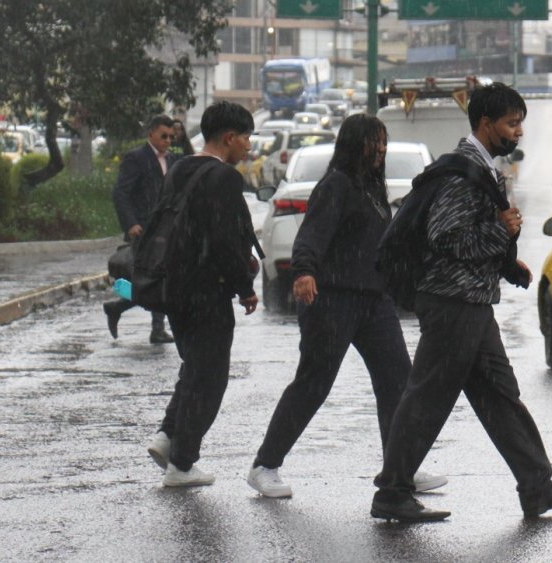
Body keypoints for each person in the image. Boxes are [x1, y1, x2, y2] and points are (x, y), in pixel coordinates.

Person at [370, 82, 552, 522]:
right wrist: (501, 230)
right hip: (453, 302)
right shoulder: (463, 173)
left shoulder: (479, 168)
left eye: (520, 124)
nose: (519, 133)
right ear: (487, 124)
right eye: (512, 124)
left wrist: (507, 263)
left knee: (499, 395)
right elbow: (447, 237)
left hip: (470, 300)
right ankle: (392, 492)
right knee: (427, 398)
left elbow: (468, 237)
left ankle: (537, 486)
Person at [246, 114, 446, 499]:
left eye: (385, 143)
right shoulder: (335, 185)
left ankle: (400, 467)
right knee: (314, 383)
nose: (382, 150)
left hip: (373, 300)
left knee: (398, 381)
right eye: (375, 143)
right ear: (356, 144)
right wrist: (304, 272)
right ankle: (264, 465)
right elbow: (312, 234)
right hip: (331, 299)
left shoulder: (372, 188)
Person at [146, 101, 259, 488]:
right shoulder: (224, 178)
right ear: (229, 137)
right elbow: (227, 242)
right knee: (210, 378)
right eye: (246, 137)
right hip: (206, 290)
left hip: (174, 287)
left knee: (194, 366)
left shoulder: (180, 168)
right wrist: (245, 287)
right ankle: (182, 463)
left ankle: (167, 435)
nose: (248, 145)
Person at [107, 114, 178, 344]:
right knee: (156, 277)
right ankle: (156, 328)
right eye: (163, 136)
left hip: (167, 229)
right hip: (144, 231)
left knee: (159, 279)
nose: (167, 140)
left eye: (171, 137)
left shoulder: (175, 160)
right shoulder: (136, 158)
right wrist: (130, 224)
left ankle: (118, 307)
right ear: (151, 134)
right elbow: (121, 192)